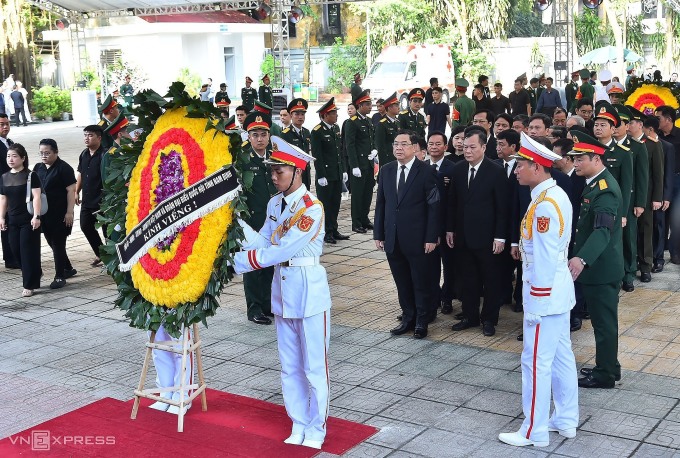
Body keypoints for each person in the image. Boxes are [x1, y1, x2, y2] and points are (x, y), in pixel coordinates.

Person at [234, 137, 331, 450]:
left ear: (297, 171)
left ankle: (316, 427)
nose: (274, 177)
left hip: (309, 289)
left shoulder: (311, 209)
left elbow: (281, 250)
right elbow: (263, 240)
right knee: (289, 364)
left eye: (279, 172)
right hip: (284, 290)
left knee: (314, 366)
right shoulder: (274, 203)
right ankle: (298, 422)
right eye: (272, 172)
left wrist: (234, 262)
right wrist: (234, 225)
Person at [498, 132, 578, 448]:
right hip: (556, 291)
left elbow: (545, 258)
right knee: (560, 358)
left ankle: (534, 431)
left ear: (537, 167)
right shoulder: (549, 197)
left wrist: (536, 304)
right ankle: (567, 420)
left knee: (535, 362)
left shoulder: (545, 205)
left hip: (544, 293)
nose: (516, 170)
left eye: (521, 165)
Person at [567, 131, 624, 389]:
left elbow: (603, 231)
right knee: (604, 322)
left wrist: (581, 259)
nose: (575, 163)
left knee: (604, 324)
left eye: (580, 159)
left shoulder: (605, 190)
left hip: (601, 269)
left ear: (596, 159)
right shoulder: (594, 183)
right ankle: (610, 366)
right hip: (598, 268)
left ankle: (604, 375)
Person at [374, 131, 439, 338]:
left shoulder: (426, 171)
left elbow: (434, 207)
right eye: (395, 144)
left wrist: (431, 237)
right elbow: (381, 204)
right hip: (393, 238)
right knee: (402, 281)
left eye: (404, 144)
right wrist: (379, 233)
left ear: (414, 147)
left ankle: (422, 320)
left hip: (418, 239)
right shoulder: (386, 170)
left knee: (420, 281)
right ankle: (408, 317)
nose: (398, 148)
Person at [447, 129, 509, 337]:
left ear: (483, 147)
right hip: (463, 237)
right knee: (468, 279)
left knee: (491, 280)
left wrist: (500, 236)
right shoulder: (457, 170)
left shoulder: (496, 171)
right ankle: (469, 316)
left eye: (473, 147)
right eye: (465, 147)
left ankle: (489, 319)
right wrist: (450, 229)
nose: (468, 151)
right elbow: (452, 204)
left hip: (488, 238)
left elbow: (503, 208)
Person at [241, 111, 277, 325]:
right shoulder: (243, 159)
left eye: (263, 134)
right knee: (253, 267)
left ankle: (266, 305)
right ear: (248, 136)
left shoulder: (274, 157)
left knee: (270, 265)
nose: (260, 139)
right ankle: (254, 309)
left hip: (272, 221)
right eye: (255, 135)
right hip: (252, 223)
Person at [612, 104, 648, 291]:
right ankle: (615, 273)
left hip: (629, 199)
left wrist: (640, 203)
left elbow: (642, 176)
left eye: (620, 124)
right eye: (614, 124)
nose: (616, 127)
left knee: (628, 237)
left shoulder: (636, 146)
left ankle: (628, 272)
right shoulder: (605, 146)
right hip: (609, 198)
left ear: (627, 126)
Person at [33, 138, 77, 289]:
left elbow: (71, 191)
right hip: (44, 213)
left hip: (60, 213)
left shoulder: (64, 168)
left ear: (56, 152)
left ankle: (60, 277)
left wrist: (69, 212)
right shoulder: (38, 167)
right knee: (51, 242)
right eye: (41, 153)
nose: (44, 156)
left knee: (58, 244)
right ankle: (68, 268)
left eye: (47, 153)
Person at [627, 106, 663, 283]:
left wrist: (657, 197)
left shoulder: (651, 144)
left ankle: (646, 266)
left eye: (630, 122)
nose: (627, 126)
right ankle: (630, 265)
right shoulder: (625, 143)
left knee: (645, 230)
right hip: (629, 194)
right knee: (629, 232)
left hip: (647, 195)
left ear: (640, 124)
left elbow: (658, 173)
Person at [0, 143, 42, 297]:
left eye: (14, 156)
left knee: (26, 251)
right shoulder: (4, 177)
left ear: (23, 158)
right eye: (8, 156)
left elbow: (37, 197)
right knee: (15, 250)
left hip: (28, 220)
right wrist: (2, 217)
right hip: (12, 220)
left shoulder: (31, 175)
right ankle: (35, 272)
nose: (10, 159)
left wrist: (36, 216)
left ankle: (29, 284)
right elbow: (3, 198)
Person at [311, 97, 349, 245]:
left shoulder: (335, 128)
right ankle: (325, 232)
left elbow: (339, 152)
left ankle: (334, 229)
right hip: (325, 175)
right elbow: (317, 155)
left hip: (336, 173)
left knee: (335, 203)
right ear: (325, 115)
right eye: (333, 113)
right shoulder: (317, 131)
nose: (336, 115)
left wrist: (343, 170)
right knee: (325, 205)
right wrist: (320, 174)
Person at [426, 131, 457, 314]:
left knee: (449, 266)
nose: (434, 147)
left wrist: (451, 227)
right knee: (429, 266)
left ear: (446, 147)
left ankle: (447, 298)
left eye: (439, 144)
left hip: (447, 226)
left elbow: (454, 201)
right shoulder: (420, 167)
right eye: (431, 144)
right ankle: (433, 297)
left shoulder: (454, 168)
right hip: (428, 226)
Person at [645, 117, 674, 273]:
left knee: (659, 225)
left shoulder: (666, 146)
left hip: (660, 194)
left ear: (650, 129)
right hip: (646, 193)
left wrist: (666, 197)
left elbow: (668, 174)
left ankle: (658, 258)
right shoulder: (641, 144)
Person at [345, 90, 376, 233]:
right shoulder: (352, 122)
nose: (370, 107)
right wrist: (354, 166)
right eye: (368, 104)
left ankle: (364, 218)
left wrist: (375, 150)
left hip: (369, 163)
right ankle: (356, 223)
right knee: (357, 195)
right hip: (359, 164)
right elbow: (349, 145)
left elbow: (372, 139)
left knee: (367, 193)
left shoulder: (368, 121)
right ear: (360, 105)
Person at [75, 125, 106, 267]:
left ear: (99, 138)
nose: (87, 138)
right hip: (87, 199)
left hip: (102, 200)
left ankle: (112, 258)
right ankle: (101, 253)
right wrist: (76, 191)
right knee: (85, 225)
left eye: (90, 135)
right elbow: (80, 173)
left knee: (107, 231)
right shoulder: (83, 154)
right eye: (85, 135)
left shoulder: (105, 155)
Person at [655, 105, 680, 264]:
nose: (656, 121)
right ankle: (659, 250)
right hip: (660, 179)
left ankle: (675, 251)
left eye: (659, 118)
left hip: (677, 179)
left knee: (676, 216)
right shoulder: (655, 136)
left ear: (668, 120)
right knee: (660, 215)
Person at [0, 113, 18, 269]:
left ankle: (12, 256)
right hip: (3, 191)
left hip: (12, 188)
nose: (5, 127)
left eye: (7, 123)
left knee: (10, 223)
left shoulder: (9, 142)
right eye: (1, 124)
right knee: (5, 223)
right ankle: (10, 258)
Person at [281, 98, 312, 189]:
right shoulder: (285, 134)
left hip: (305, 173)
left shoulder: (306, 132)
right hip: (293, 174)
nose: (300, 117)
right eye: (297, 114)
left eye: (302, 114)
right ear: (291, 115)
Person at [375, 92, 400, 167]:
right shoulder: (382, 124)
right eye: (396, 105)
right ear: (389, 108)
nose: (399, 107)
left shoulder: (398, 122)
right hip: (388, 160)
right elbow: (381, 147)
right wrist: (384, 164)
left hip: (398, 157)